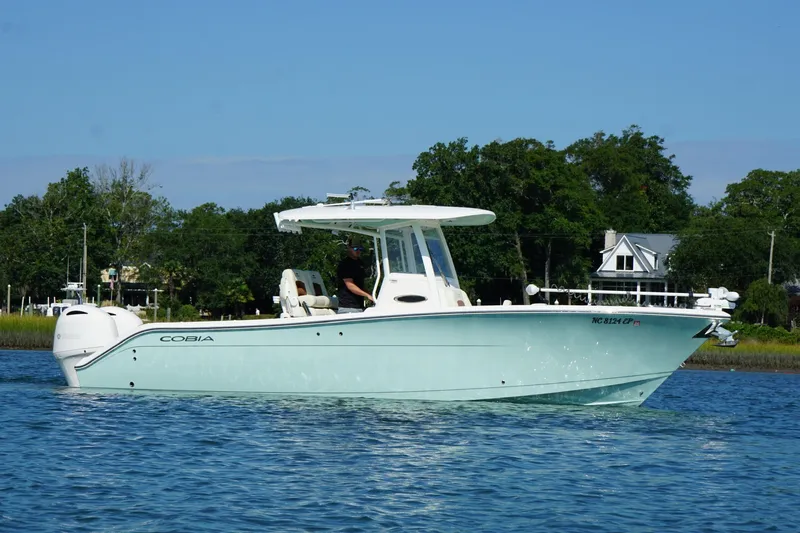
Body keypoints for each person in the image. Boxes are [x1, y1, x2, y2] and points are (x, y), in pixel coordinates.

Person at [336, 238, 374, 313]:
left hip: (359, 306)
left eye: (360, 248)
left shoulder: (360, 263)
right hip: (348, 307)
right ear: (349, 248)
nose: (358, 251)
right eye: (356, 248)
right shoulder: (345, 264)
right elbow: (350, 285)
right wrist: (367, 295)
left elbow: (360, 284)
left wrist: (369, 294)